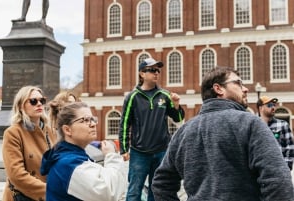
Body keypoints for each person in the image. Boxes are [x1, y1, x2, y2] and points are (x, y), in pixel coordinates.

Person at [152, 67, 294, 201]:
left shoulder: (183, 132)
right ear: (218, 88)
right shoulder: (251, 124)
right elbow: (279, 180)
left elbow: (161, 183)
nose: (245, 89)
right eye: (238, 83)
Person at [119, 57, 185, 201]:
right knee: (134, 191)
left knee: (155, 190)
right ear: (142, 74)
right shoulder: (132, 97)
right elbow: (125, 123)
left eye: (157, 70)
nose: (156, 73)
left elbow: (178, 119)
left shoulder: (165, 95)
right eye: (152, 70)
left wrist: (176, 104)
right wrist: (124, 149)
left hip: (161, 152)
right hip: (139, 153)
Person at [41, 102, 126, 201]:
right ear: (67, 130)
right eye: (85, 120)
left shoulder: (74, 157)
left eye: (92, 119)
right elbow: (111, 192)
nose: (93, 124)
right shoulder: (69, 164)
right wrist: (111, 155)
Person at [2, 85, 56, 201]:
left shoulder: (50, 131)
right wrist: (50, 190)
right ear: (21, 106)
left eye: (42, 100)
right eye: (33, 101)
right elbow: (16, 174)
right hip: (25, 196)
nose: (39, 104)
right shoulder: (13, 133)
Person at [257, 95, 294, 170]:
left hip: (279, 170)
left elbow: (290, 147)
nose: (273, 107)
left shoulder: (283, 124)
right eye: (269, 105)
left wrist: (286, 168)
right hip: (260, 171)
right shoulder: (254, 126)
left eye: (274, 105)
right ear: (261, 108)